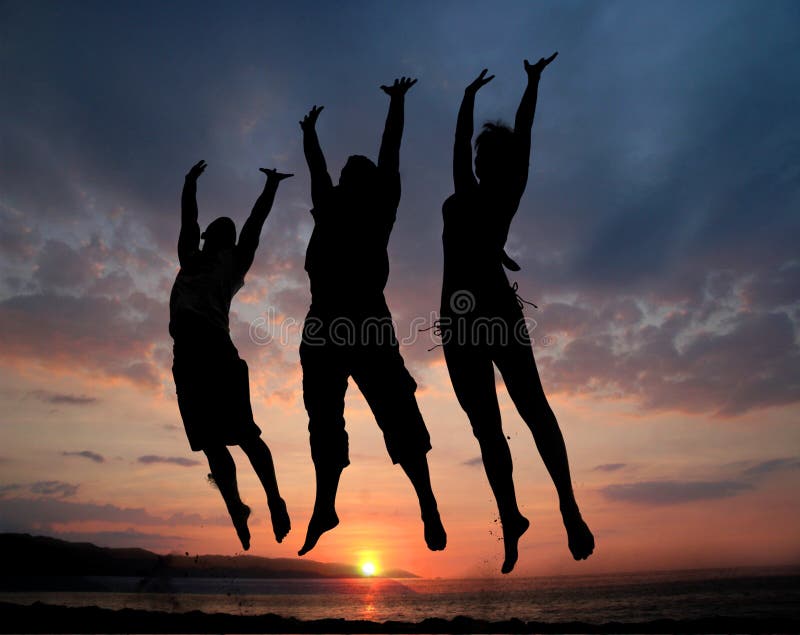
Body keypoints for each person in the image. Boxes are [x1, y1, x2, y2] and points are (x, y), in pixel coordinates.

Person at [440, 55, 594, 573]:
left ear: (502, 166)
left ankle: (567, 505)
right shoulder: (475, 191)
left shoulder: (503, 191)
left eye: (492, 159)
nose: (483, 163)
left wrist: (531, 83)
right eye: (483, 158)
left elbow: (523, 135)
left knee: (533, 411)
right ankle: (511, 515)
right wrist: (467, 99)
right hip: (460, 323)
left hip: (490, 315)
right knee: (489, 426)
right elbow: (463, 147)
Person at [297, 77, 447, 557]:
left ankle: (426, 503)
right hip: (325, 324)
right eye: (346, 173)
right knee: (324, 418)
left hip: (362, 322)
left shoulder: (376, 207)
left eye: (351, 173)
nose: (344, 176)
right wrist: (310, 134)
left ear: (361, 184)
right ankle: (326, 506)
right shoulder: (333, 207)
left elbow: (389, 153)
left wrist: (397, 105)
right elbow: (320, 168)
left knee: (397, 414)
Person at [169, 159, 292, 550]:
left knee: (244, 436)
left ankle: (274, 498)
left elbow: (254, 226)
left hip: (215, 353)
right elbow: (189, 219)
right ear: (208, 236)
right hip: (188, 358)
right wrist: (189, 182)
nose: (224, 231)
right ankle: (237, 507)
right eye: (219, 230)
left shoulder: (233, 261)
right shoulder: (190, 256)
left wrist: (270, 187)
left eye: (228, 230)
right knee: (212, 445)